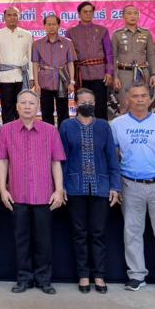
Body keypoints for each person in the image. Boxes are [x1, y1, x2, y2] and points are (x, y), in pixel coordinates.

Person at [111, 83, 155, 295]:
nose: (140, 99)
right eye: (135, 96)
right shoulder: (117, 124)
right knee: (132, 231)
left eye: (144, 96)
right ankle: (136, 275)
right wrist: (117, 186)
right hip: (130, 184)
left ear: (150, 99)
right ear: (127, 100)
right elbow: (113, 158)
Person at [0, 90, 66, 294]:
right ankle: (24, 278)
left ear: (38, 107)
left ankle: (44, 279)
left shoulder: (50, 131)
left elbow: (56, 162)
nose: (27, 106)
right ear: (16, 106)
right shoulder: (6, 130)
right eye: (23, 103)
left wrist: (59, 190)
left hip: (44, 195)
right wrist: (2, 188)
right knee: (21, 239)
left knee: (44, 241)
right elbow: (2, 160)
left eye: (31, 103)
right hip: (17, 195)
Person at [59, 87, 121, 294]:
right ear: (76, 103)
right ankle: (83, 274)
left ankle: (100, 275)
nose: (87, 105)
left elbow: (112, 157)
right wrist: (61, 187)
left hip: (101, 187)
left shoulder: (103, 126)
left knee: (98, 233)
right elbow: (62, 159)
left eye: (91, 102)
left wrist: (115, 186)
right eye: (83, 101)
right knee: (79, 233)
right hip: (75, 188)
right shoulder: (67, 126)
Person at [66, 1, 114, 119]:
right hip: (80, 75)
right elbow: (67, 56)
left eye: (90, 12)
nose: (88, 14)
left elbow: (109, 53)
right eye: (85, 12)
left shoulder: (102, 30)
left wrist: (109, 72)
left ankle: (101, 131)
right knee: (82, 105)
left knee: (100, 106)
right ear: (79, 14)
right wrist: (70, 78)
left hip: (100, 74)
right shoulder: (71, 32)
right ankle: (82, 131)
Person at [112, 6, 155, 115]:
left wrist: (154, 74)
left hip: (142, 73)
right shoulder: (117, 34)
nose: (133, 16)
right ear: (123, 16)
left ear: (138, 16)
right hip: (124, 74)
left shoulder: (146, 33)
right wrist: (115, 76)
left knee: (143, 103)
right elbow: (113, 57)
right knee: (125, 104)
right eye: (129, 13)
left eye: (135, 13)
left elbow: (151, 55)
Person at [32, 15, 77, 127]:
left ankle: (63, 136)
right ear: (45, 26)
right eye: (49, 24)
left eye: (54, 24)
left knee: (63, 112)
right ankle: (48, 137)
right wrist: (36, 84)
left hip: (62, 81)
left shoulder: (67, 42)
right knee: (46, 112)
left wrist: (71, 82)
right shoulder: (37, 44)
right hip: (44, 82)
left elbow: (71, 63)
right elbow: (35, 64)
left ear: (58, 26)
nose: (51, 27)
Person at [0, 7, 34, 124]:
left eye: (15, 15)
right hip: (4, 78)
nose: (12, 18)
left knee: (22, 107)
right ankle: (8, 134)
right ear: (4, 17)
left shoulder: (27, 34)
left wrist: (31, 77)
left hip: (22, 77)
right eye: (9, 15)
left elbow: (31, 57)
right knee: (7, 107)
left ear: (19, 17)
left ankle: (22, 133)